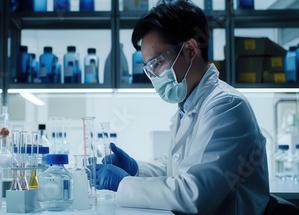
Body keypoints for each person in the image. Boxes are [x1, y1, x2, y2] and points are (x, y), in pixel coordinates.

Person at [94, 0, 270, 214]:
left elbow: (194, 194)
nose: (154, 77)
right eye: (149, 69)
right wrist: (134, 168)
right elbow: (177, 171)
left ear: (190, 49)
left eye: (157, 63)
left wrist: (123, 184)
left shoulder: (227, 106)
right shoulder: (191, 105)